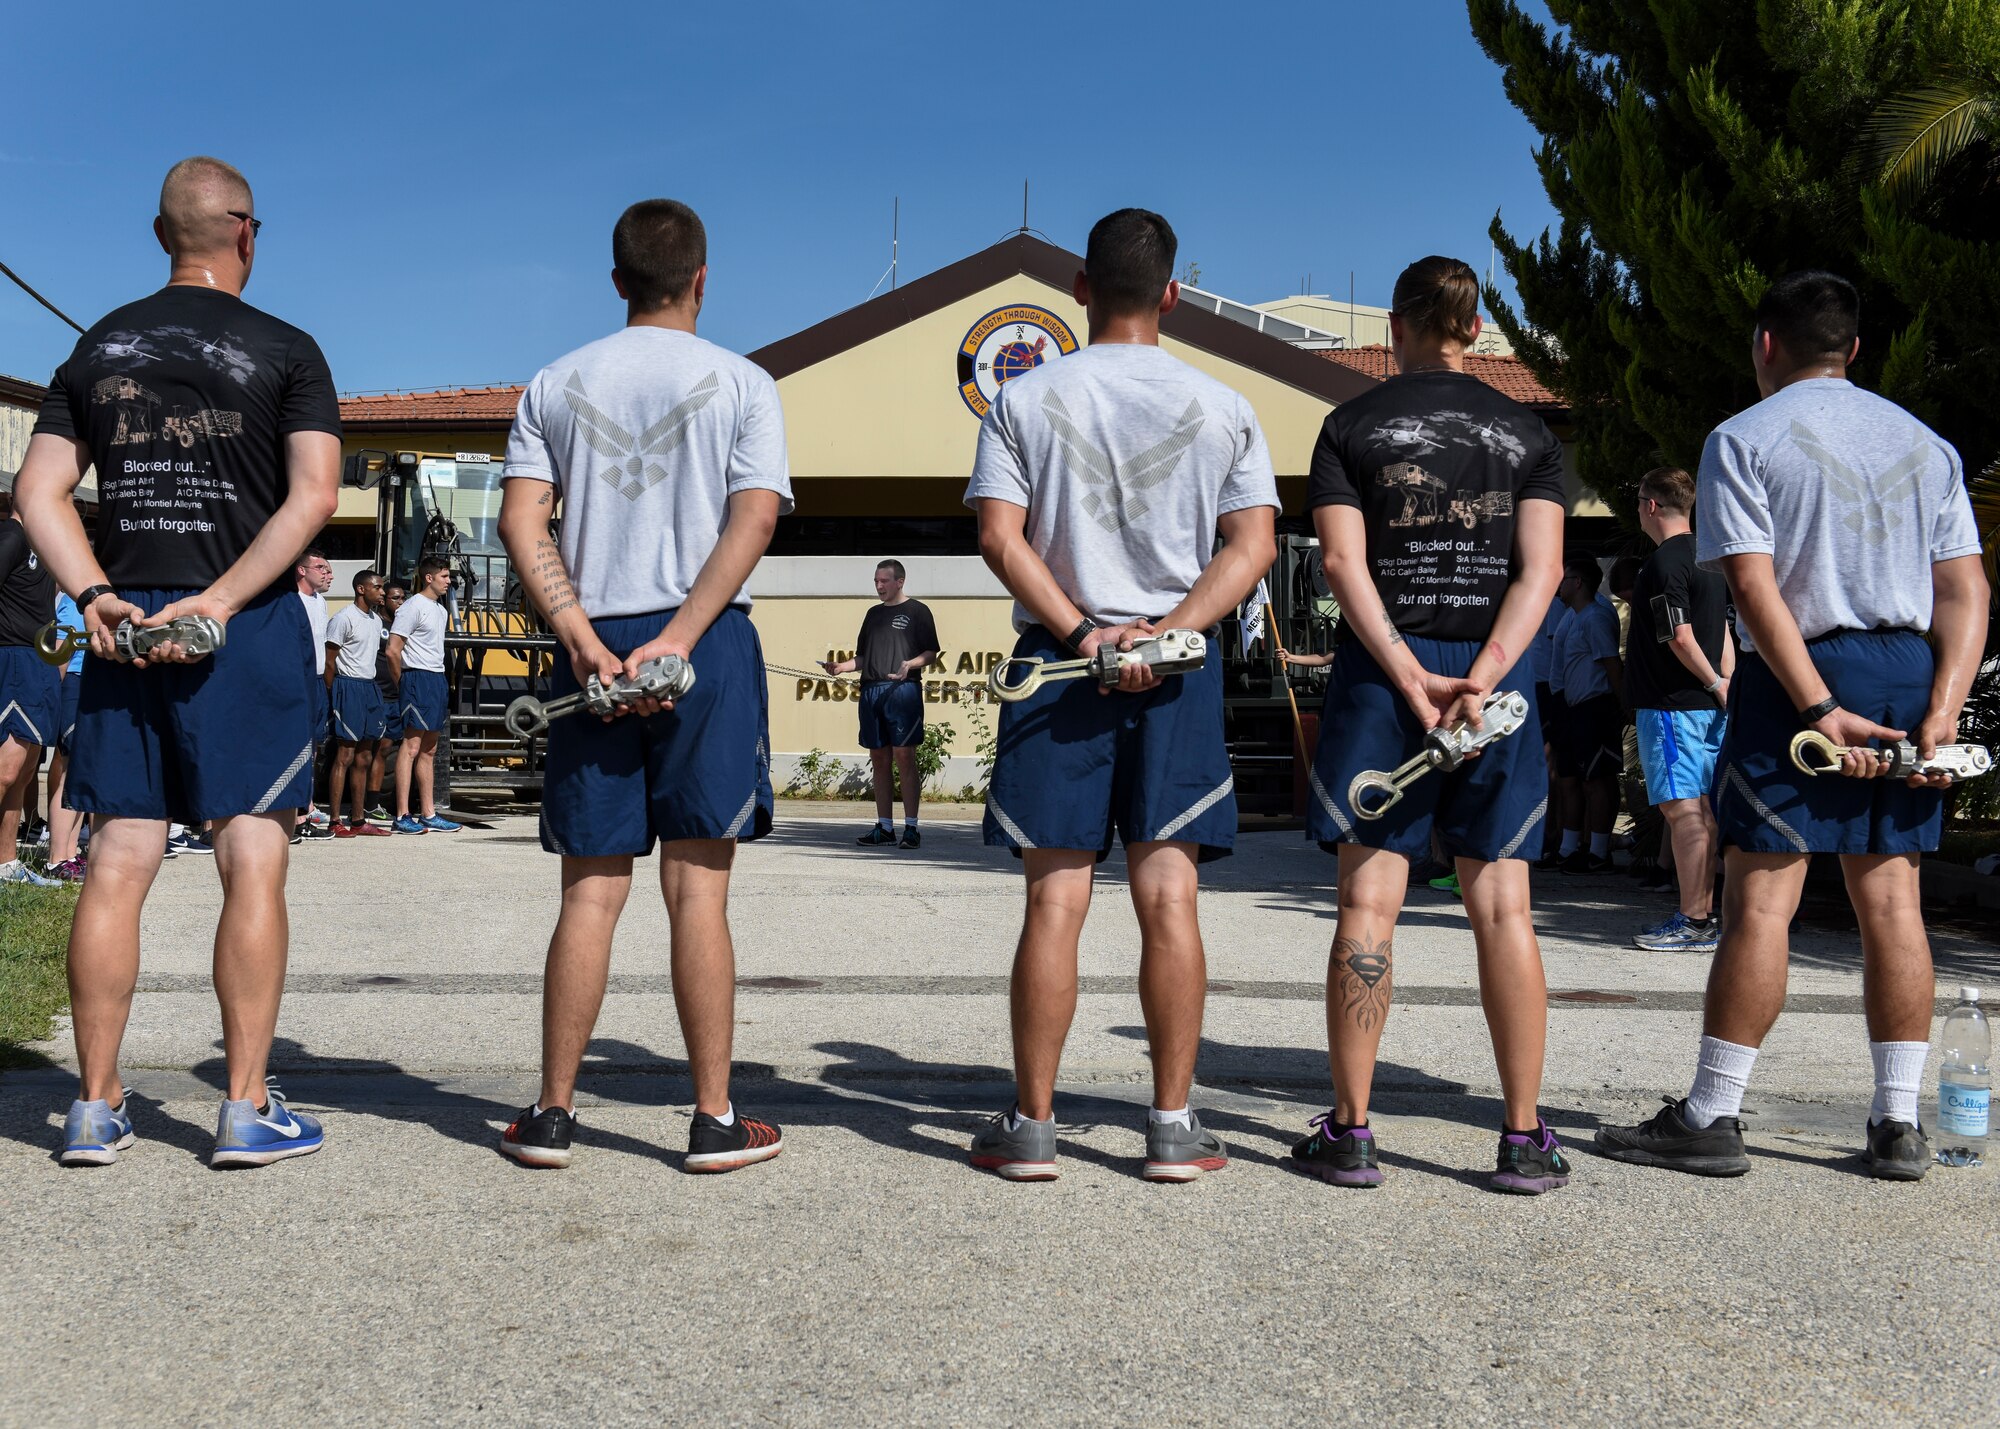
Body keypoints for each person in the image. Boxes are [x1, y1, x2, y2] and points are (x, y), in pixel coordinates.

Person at [1597, 271, 1987, 1181]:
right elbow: (1966, 588)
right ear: (1855, 349)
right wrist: (1943, 709)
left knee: (1761, 899)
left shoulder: (1744, 436)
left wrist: (1812, 702)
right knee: (1892, 898)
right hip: (1906, 670)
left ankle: (1713, 1111)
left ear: (1766, 344)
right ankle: (1898, 1123)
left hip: (1799, 670)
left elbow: (1754, 583)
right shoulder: (1928, 446)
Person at [15, 155, 341, 1167]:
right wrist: (226, 599)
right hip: (237, 624)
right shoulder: (288, 349)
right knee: (252, 852)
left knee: (117, 857)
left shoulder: (100, 344)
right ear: (247, 233)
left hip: (125, 622)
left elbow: (38, 492)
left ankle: (95, 1106)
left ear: (162, 237)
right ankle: (245, 1106)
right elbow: (314, 497)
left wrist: (95, 596)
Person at [965, 207, 1278, 1182]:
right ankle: (1173, 1129)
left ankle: (1031, 1125)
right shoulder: (1223, 404)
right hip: (1176, 677)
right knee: (1168, 896)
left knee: (1054, 901)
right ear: (1173, 294)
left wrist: (1082, 631)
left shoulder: (1020, 401)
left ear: (1080, 290)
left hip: (1060, 668)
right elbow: (1252, 546)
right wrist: (1172, 628)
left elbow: (998, 538)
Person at [494, 197, 790, 1173]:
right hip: (700, 640)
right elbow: (752, 521)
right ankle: (712, 1120)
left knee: (589, 893)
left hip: (594, 642)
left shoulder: (554, 382)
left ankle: (549, 1115)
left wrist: (578, 635)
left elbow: (522, 522)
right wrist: (679, 637)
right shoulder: (743, 382)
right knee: (696, 893)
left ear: (615, 279)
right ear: (702, 278)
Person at [1298, 254, 1569, 1194]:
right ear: (1476, 330)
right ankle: (1523, 1136)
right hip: (1494, 682)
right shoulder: (1529, 431)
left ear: (1397, 325)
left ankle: (1353, 1131)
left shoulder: (1348, 426)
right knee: (1503, 905)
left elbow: (1342, 564)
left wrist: (1409, 674)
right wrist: (1483, 676)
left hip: (1386, 675)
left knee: (1368, 906)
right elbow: (1540, 573)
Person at [1626, 467, 1733, 948]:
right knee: (1704, 811)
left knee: (1684, 812)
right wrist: (1727, 684)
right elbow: (1723, 631)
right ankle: (1705, 917)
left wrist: (1714, 681)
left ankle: (1694, 921)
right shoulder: (1708, 561)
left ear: (1651, 505)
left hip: (1673, 707)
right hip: (1709, 707)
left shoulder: (1663, 565)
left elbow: (1679, 635)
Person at [819, 559, 939, 848]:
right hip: (871, 690)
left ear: (900, 581)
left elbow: (932, 651)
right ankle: (885, 828)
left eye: (884, 580)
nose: (879, 586)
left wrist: (910, 664)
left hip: (903, 690)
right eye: (876, 581)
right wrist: (841, 667)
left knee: (904, 756)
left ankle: (912, 828)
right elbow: (862, 658)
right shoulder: (872, 614)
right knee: (879, 760)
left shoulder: (918, 611)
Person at [1548, 556, 1623, 874]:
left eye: (1564, 579)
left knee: (1597, 779)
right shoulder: (1570, 616)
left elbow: (1611, 664)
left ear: (1577, 583)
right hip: (1570, 707)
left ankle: (1599, 851)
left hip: (1595, 707)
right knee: (1569, 778)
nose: (1559, 585)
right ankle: (1568, 848)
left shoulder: (1596, 616)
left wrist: (1624, 705)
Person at [0, 504, 61, 887]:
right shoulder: (12, 536)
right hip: (14, 658)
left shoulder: (45, 542)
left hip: (39, 662)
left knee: (23, 774)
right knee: (6, 771)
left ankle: (5, 865)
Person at [385, 557, 459, 834]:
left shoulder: (439, 610)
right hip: (416, 677)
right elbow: (393, 649)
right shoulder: (412, 606)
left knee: (430, 749)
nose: (449, 581)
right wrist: (402, 682)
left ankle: (428, 813)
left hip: (436, 678)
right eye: (444, 576)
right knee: (411, 746)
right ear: (429, 578)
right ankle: (402, 814)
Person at [325, 568, 392, 837]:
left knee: (365, 755)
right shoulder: (343, 618)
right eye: (377, 587)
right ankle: (334, 820)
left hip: (369, 688)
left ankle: (358, 819)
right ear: (361, 589)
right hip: (347, 687)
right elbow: (330, 661)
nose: (383, 592)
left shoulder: (376, 621)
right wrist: (334, 694)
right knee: (345, 754)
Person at [44, 588, 89, 881]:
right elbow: (62, 647)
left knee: (82, 772)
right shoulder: (77, 598)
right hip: (73, 684)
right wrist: (52, 699)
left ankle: (70, 853)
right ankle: (56, 857)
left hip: (92, 682)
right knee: (71, 772)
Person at [293, 547, 335, 842]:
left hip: (318, 680)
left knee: (314, 746)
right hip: (298, 679)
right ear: (302, 570)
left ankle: (306, 806)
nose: (327, 574)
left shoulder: (320, 601)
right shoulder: (291, 600)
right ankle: (296, 815)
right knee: (297, 746)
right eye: (321, 567)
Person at [368, 579, 407, 818]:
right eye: (396, 598)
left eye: (403, 598)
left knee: (385, 750)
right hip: (376, 693)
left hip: (396, 696)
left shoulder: (404, 624)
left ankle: (373, 803)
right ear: (384, 600)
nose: (400, 602)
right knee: (366, 751)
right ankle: (362, 803)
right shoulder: (375, 623)